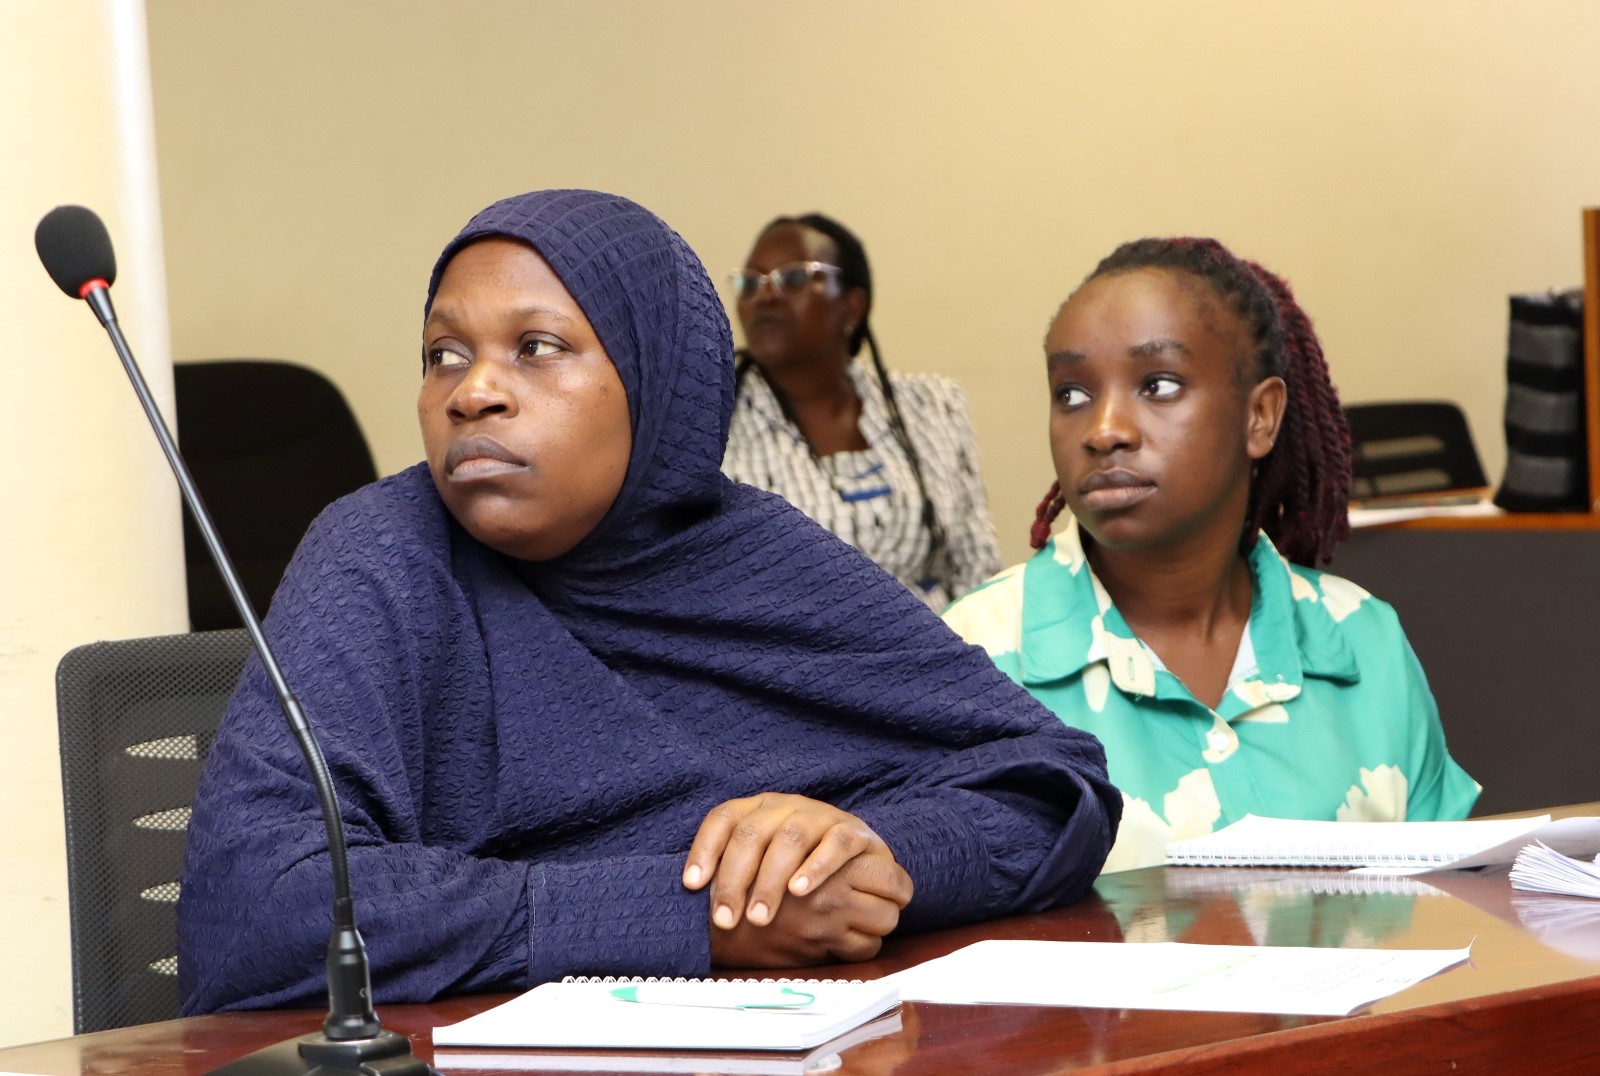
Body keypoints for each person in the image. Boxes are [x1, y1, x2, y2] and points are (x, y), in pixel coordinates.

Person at [176, 190, 1120, 1014]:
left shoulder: (757, 555)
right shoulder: (380, 552)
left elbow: (1051, 789)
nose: (474, 393)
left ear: (656, 376)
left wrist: (874, 855)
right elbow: (260, 910)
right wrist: (685, 917)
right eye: (442, 355)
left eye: (537, 348)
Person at [943, 237, 1478, 875]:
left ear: (1260, 416)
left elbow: (1456, 912)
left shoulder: (1362, 638)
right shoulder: (971, 658)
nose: (1104, 428)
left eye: (1158, 384)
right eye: (1072, 394)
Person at [721, 214, 1001, 609]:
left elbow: (977, 570)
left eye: (793, 279)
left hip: (940, 658)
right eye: (751, 282)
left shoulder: (933, 406)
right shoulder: (715, 425)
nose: (765, 296)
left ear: (852, 307)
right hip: (788, 664)